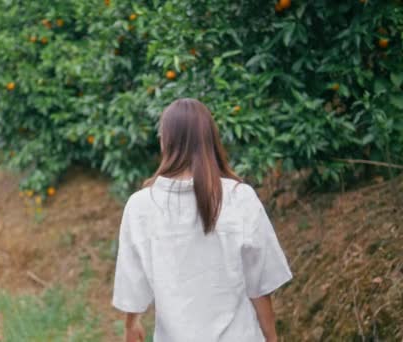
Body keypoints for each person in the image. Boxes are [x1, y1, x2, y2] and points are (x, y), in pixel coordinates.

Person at [111, 98, 293, 342]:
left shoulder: (141, 206)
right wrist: (272, 338)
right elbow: (259, 286)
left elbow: (132, 286)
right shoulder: (240, 198)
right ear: (210, 141)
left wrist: (131, 325)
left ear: (165, 142)